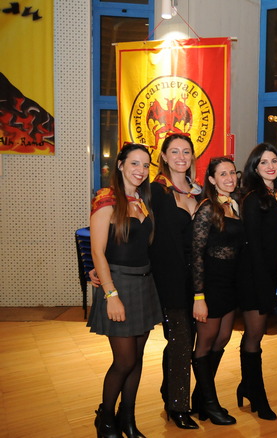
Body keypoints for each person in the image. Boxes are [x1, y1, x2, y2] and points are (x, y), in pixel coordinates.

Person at [87, 143, 162, 438]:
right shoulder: (106, 199)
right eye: (134, 163)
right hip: (118, 285)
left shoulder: (143, 201)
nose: (140, 170)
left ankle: (127, 418)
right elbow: (98, 252)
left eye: (145, 165)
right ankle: (105, 417)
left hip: (144, 283)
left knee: (138, 358)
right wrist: (111, 294)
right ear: (120, 165)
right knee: (125, 360)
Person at [149, 133, 201, 429]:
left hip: (198, 280)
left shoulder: (199, 192)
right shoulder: (156, 191)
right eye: (175, 151)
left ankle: (169, 389)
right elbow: (137, 229)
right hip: (169, 277)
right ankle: (178, 405)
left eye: (186, 151)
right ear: (164, 157)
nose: (181, 157)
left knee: (186, 340)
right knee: (180, 339)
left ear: (192, 156)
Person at [190, 157, 244, 425]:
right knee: (205, 343)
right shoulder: (207, 208)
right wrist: (198, 297)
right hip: (210, 284)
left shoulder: (235, 205)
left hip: (230, 283)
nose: (229, 178)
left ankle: (200, 399)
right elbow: (196, 254)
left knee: (222, 339)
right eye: (223, 174)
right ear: (211, 179)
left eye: (232, 172)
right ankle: (211, 405)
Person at [236, 143, 277, 421]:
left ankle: (247, 385)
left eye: (274, 160)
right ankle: (258, 395)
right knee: (255, 335)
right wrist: (264, 282)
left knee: (255, 334)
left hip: (269, 275)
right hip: (254, 276)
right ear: (254, 167)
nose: (270, 166)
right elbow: (253, 244)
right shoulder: (253, 198)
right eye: (264, 162)